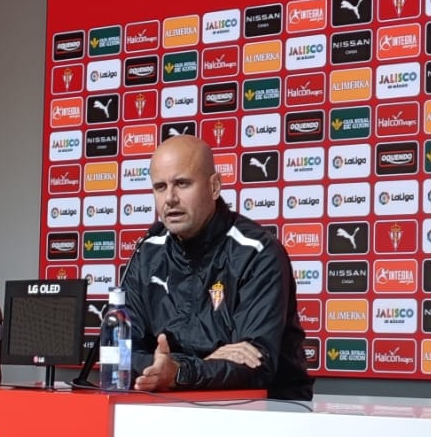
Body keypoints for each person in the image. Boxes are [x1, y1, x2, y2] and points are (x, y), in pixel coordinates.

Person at [120, 135, 313, 400]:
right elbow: (118, 352)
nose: (170, 199)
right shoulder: (147, 253)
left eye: (182, 184)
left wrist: (179, 371)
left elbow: (255, 367)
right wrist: (185, 367)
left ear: (214, 187)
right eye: (160, 187)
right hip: (173, 410)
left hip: (262, 415)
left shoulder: (257, 252)